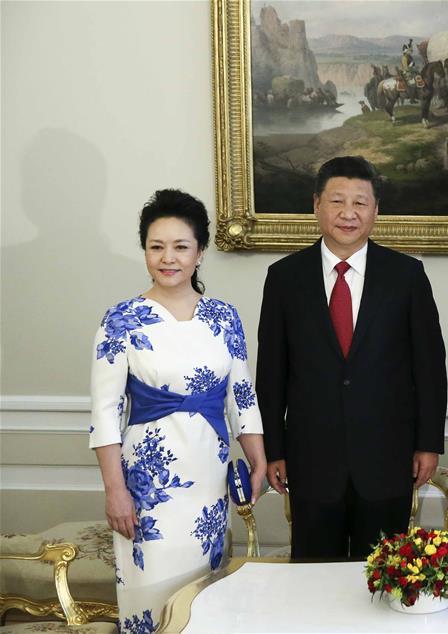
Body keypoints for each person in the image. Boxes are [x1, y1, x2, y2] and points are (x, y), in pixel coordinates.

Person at [90, 189, 266, 631]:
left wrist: (258, 458)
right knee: (151, 598)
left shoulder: (224, 317)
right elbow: (105, 412)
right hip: (148, 487)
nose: (168, 258)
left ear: (200, 253)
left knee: (203, 599)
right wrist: (116, 491)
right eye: (156, 246)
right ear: (145, 251)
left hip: (209, 477)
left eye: (180, 246)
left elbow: (242, 395)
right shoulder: (121, 320)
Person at [257, 156, 447, 558]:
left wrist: (428, 443)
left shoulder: (407, 276)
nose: (348, 213)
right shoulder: (284, 278)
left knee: (384, 578)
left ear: (376, 210)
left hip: (387, 458)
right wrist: (275, 448)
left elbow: (429, 368)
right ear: (316, 205)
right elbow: (271, 373)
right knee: (314, 577)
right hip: (311, 460)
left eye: (360, 203)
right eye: (337, 201)